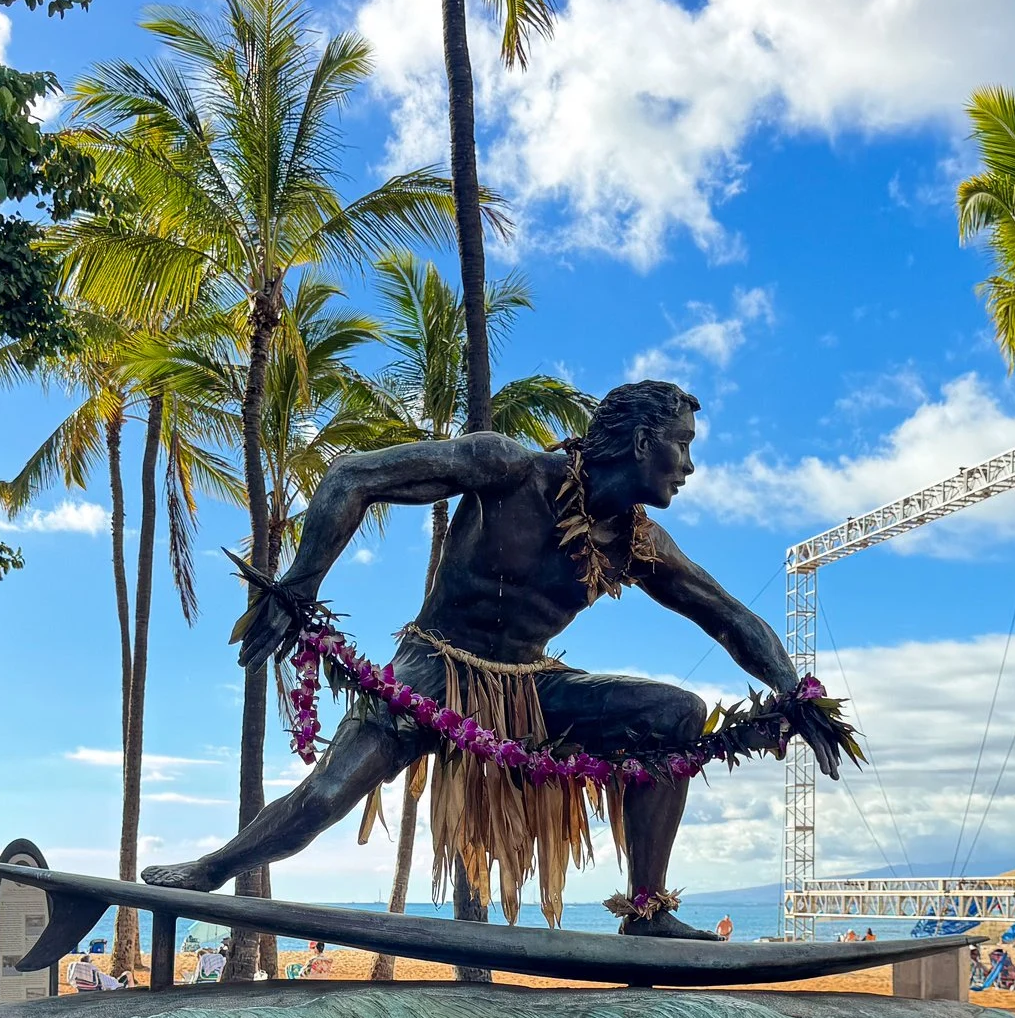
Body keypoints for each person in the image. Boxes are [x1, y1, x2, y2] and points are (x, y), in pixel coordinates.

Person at [138, 381, 857, 938]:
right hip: (437, 665)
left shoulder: (638, 545)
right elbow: (352, 477)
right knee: (326, 798)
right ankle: (206, 870)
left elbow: (729, 615)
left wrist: (796, 695)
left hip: (531, 688)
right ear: (642, 442)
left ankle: (645, 908)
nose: (691, 466)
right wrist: (300, 583)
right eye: (682, 444)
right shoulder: (510, 469)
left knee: (678, 715)